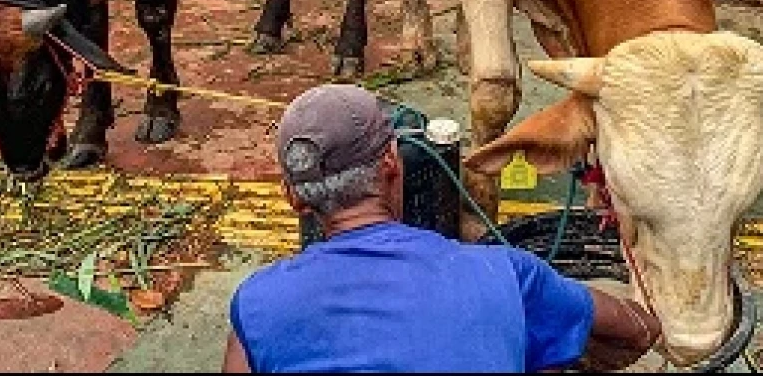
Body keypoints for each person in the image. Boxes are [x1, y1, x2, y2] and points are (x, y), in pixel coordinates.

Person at [222, 83, 662, 373]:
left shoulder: (257, 306)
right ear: (392, 164)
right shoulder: (504, 275)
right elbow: (636, 330)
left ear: (293, 197)